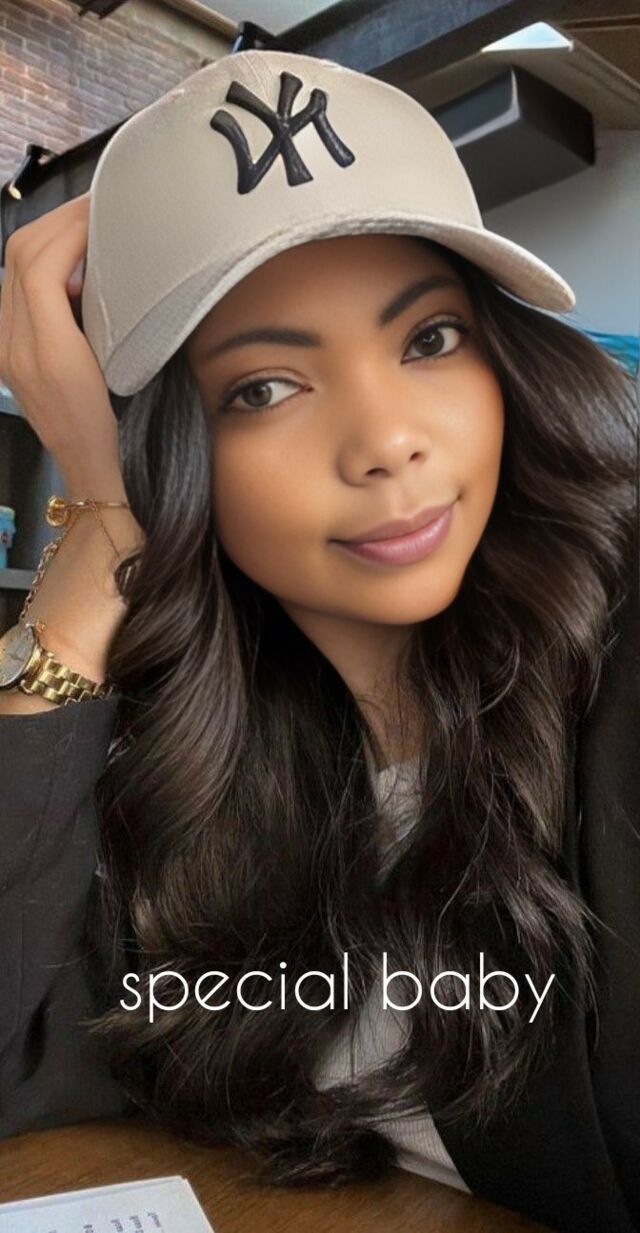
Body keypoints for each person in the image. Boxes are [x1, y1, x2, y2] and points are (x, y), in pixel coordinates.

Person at [0, 49, 637, 1233]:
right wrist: (96, 529)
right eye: (264, 388)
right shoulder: (196, 764)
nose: (386, 442)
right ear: (167, 451)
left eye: (429, 339)